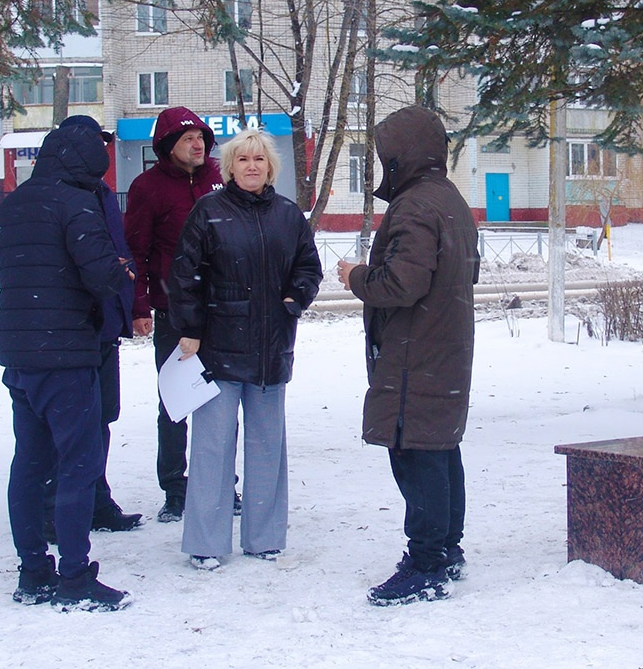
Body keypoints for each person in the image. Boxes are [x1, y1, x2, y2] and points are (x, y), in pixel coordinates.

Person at [337, 105, 479, 606]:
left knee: (416, 455)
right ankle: (445, 549)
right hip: (443, 349)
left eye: (385, 156)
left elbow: (402, 283)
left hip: (415, 352)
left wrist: (355, 275)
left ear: (403, 155)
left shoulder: (416, 205)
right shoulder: (448, 200)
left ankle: (426, 564)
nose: (382, 164)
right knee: (439, 449)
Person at [0, 122, 133, 611]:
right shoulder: (77, 204)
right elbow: (101, 275)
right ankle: (74, 576)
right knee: (79, 463)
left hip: (19, 354)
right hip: (68, 353)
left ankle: (33, 571)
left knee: (29, 464)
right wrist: (122, 271)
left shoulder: (14, 204)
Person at [168, 127, 322, 569]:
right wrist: (191, 327)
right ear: (229, 167)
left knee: (267, 445)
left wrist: (294, 300)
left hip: (272, 346)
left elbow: (308, 267)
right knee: (213, 447)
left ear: (269, 167)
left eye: (258, 160)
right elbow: (186, 275)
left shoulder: (288, 215)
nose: (251, 166)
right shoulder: (208, 212)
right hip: (218, 347)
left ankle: (265, 537)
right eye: (242, 159)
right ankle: (205, 542)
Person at [123, 107, 225, 523]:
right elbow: (136, 251)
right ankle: (176, 487)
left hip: (222, 309)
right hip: (173, 310)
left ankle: (220, 484)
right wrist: (139, 305)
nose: (197, 144)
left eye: (200, 137)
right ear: (167, 145)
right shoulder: (147, 187)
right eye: (187, 139)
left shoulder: (221, 177)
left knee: (220, 401)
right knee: (177, 401)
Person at [50, 114, 141, 534]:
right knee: (71, 428)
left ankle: (96, 500)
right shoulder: (62, 195)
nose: (101, 150)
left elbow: (115, 251)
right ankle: (59, 508)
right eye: (94, 142)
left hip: (105, 328)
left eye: (103, 142)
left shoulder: (99, 192)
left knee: (102, 418)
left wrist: (125, 309)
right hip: (74, 334)